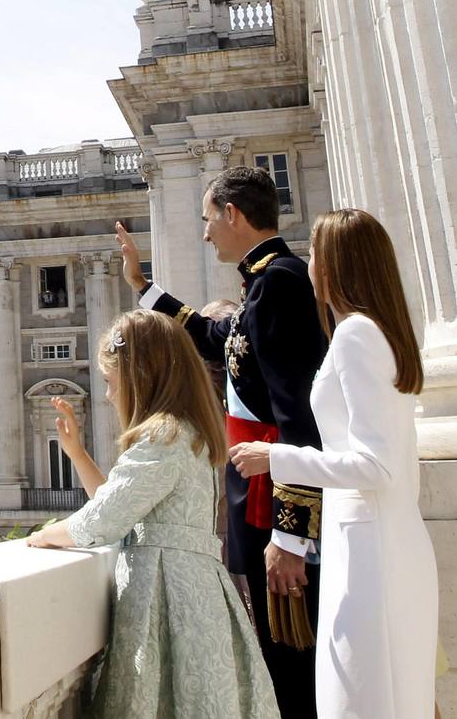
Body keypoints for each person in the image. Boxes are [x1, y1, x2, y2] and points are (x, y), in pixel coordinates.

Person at [117, 165, 326, 719]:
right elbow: (216, 337)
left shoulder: (280, 281)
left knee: (292, 662)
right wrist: (144, 287)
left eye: (208, 218)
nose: (206, 232)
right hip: (255, 488)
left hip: (271, 495)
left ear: (232, 214)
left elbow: (295, 413)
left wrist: (292, 535)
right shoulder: (262, 283)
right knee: (279, 657)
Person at [228, 208, 438, 718]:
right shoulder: (381, 332)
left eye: (318, 253)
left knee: (358, 704)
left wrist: (276, 457)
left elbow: (375, 466)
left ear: (339, 264)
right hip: (379, 538)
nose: (311, 264)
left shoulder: (355, 336)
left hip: (368, 548)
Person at [27, 310, 279, 718]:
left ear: (140, 374)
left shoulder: (161, 435)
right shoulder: (187, 432)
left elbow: (100, 521)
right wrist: (76, 453)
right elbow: (123, 503)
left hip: (170, 602)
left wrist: (43, 536)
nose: (107, 395)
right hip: (194, 596)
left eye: (110, 382)